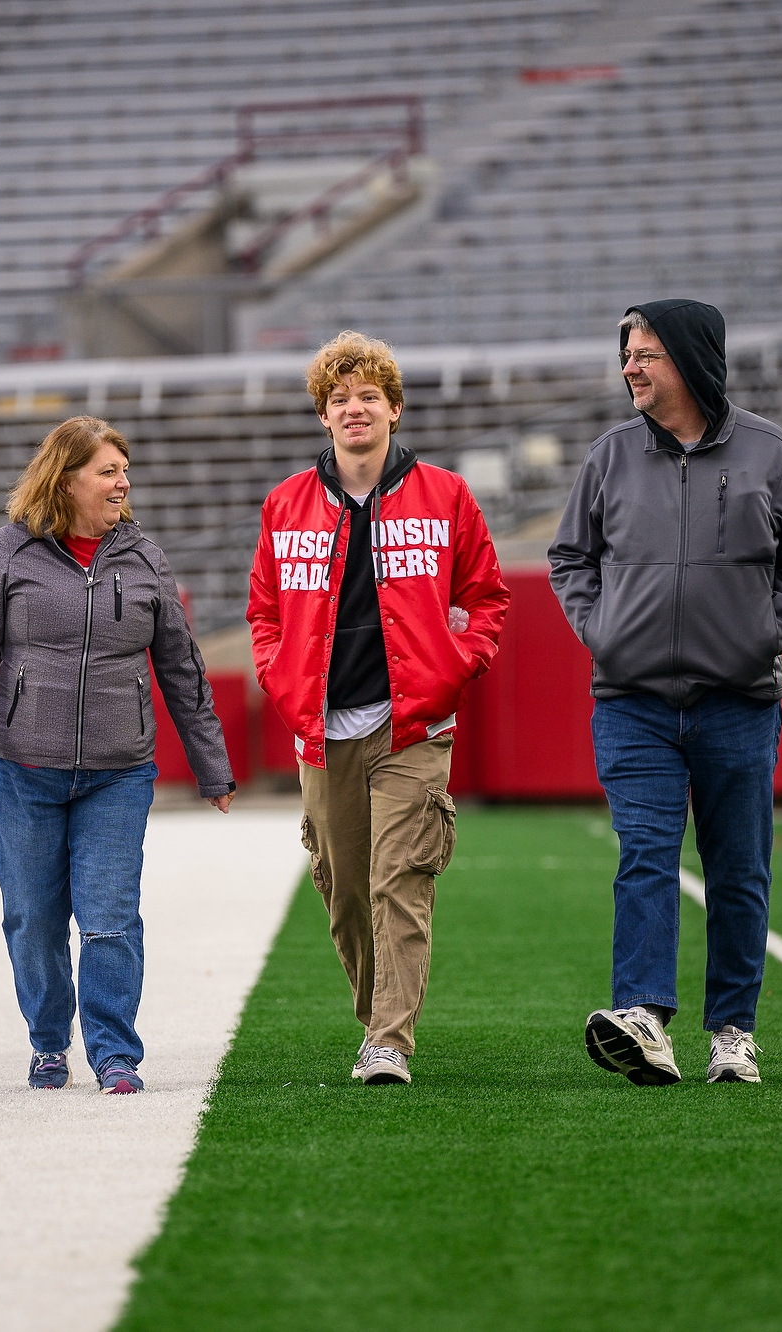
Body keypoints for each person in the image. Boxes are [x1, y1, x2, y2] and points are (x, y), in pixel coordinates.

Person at [549, 300, 782, 1087]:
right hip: (631, 700)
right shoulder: (609, 456)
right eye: (627, 353)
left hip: (738, 702)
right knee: (645, 854)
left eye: (645, 353)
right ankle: (644, 1016)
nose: (629, 366)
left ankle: (733, 1031)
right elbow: (569, 557)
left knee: (738, 868)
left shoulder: (771, 453)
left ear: (690, 359)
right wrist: (602, 631)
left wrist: (762, 638)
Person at [0, 415, 235, 1096]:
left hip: (117, 773)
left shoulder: (146, 557)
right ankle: (47, 1043)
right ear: (67, 480)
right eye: (108, 471)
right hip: (23, 769)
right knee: (32, 918)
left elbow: (182, 669)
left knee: (109, 918)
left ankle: (115, 1052)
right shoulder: (9, 551)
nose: (123, 482)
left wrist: (212, 765)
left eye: (124, 470)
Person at [248, 331, 509, 1086]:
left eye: (367, 396)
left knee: (401, 877)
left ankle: (391, 1039)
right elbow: (264, 612)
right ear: (324, 419)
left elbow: (486, 599)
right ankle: (377, 1021)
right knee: (344, 889)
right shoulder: (286, 504)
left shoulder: (447, 495)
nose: (353, 408)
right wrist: (278, 675)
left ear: (394, 409)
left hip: (412, 728)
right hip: (322, 732)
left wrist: (455, 670)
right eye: (339, 399)